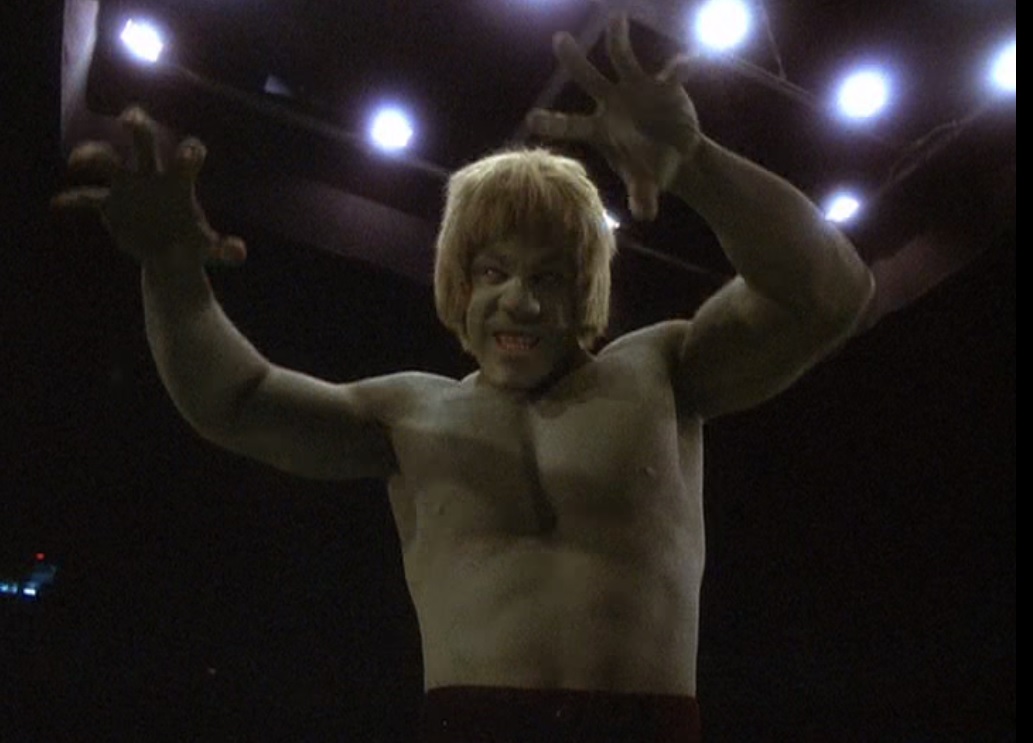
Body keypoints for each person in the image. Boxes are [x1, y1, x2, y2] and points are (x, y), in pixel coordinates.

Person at [54, 15, 874, 743]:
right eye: (492, 271)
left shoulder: (662, 369)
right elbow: (236, 402)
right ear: (459, 285)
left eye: (548, 276)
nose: (519, 299)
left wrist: (694, 161)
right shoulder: (409, 412)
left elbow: (831, 292)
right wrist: (172, 272)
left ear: (584, 291)